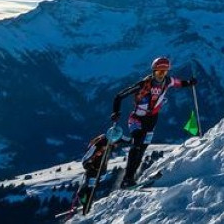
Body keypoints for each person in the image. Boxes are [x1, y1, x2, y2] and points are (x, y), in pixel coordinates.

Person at [109, 56, 197, 186]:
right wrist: (116, 112)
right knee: (137, 145)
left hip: (152, 121)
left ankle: (131, 178)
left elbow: (180, 83)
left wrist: (190, 83)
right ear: (153, 71)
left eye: (164, 72)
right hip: (137, 119)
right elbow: (119, 96)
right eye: (158, 72)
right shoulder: (144, 84)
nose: (161, 76)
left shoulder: (168, 81)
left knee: (142, 149)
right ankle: (127, 179)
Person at [74, 126, 129, 207]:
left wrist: (136, 140)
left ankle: (88, 202)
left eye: (116, 140)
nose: (115, 143)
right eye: (114, 140)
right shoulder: (98, 144)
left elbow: (127, 140)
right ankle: (84, 202)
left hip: (101, 170)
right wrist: (87, 164)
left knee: (93, 187)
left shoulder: (115, 139)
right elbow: (85, 158)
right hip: (92, 169)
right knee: (84, 190)